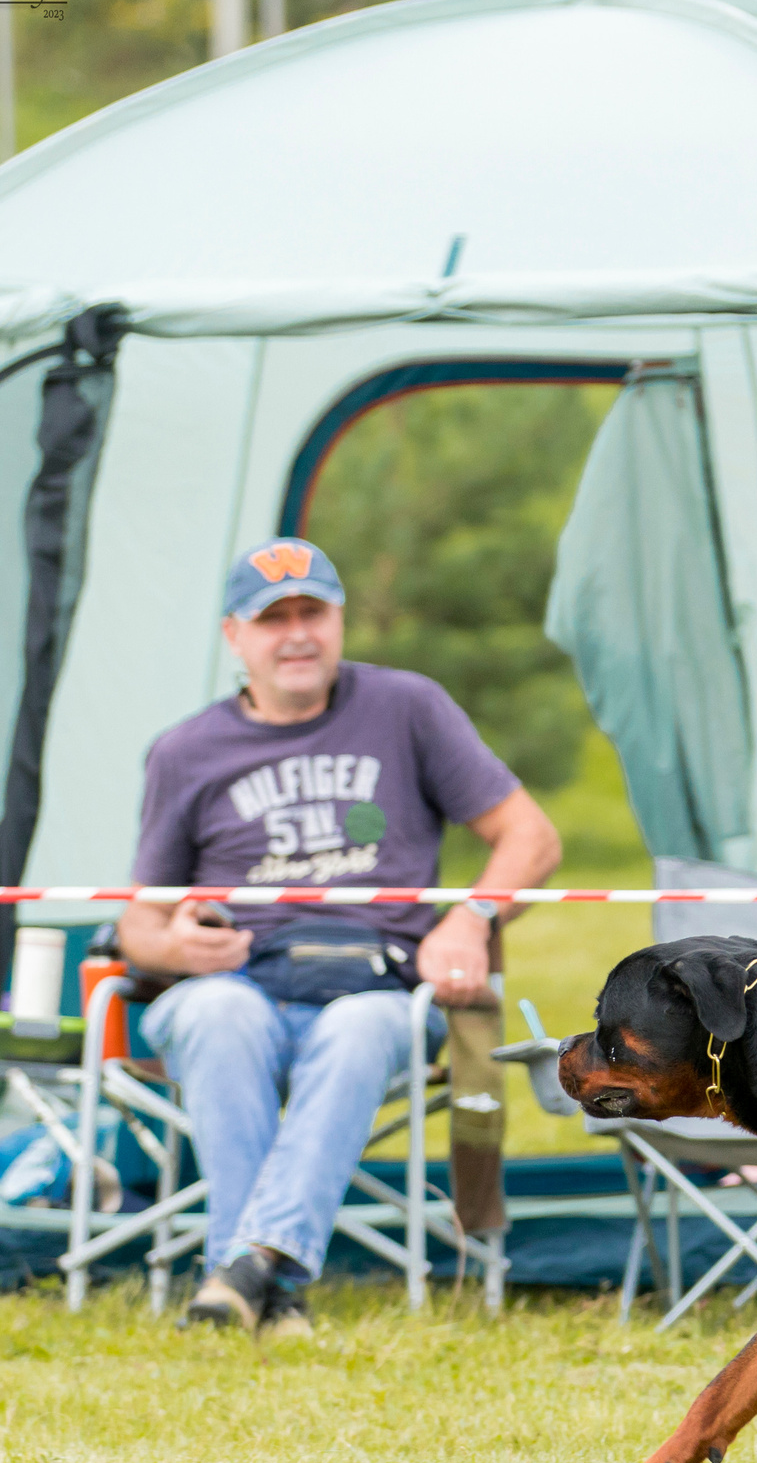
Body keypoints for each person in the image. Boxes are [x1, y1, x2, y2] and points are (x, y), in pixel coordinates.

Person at [118, 537, 562, 1338]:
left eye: (312, 612)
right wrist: (178, 946)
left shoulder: (407, 708)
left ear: (339, 620)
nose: (296, 634)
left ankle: (242, 1271)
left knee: (362, 1026)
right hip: (237, 984)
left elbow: (530, 838)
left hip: (379, 989)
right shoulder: (184, 752)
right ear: (233, 636)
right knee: (217, 1015)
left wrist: (470, 919)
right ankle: (269, 1282)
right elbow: (137, 927)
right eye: (272, 617)